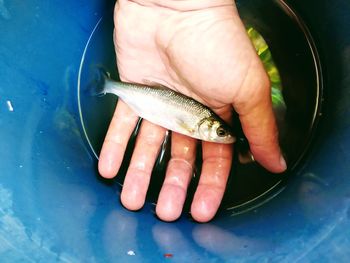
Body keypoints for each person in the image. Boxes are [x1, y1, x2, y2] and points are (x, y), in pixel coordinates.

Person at [98, 0, 287, 223]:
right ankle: (107, 85)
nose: (223, 137)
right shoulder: (198, 122)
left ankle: (108, 85)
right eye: (220, 133)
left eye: (221, 133)